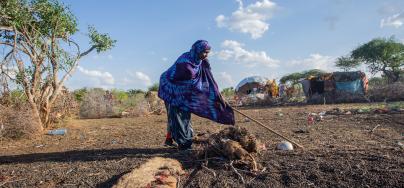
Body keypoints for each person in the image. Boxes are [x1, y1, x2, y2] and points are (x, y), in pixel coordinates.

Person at [158, 40, 235, 151]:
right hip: (170, 87)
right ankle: (184, 144)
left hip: (183, 90)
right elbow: (193, 85)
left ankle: (171, 140)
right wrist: (209, 96)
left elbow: (209, 79)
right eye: (204, 52)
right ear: (197, 50)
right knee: (178, 115)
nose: (206, 55)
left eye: (208, 52)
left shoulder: (201, 61)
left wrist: (217, 94)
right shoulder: (185, 63)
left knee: (178, 114)